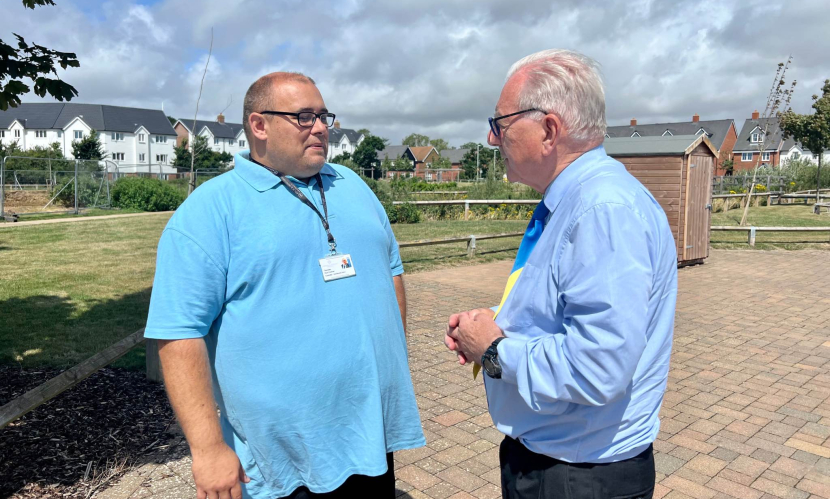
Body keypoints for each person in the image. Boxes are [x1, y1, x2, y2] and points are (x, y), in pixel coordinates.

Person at [145, 72, 424, 499]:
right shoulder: (210, 210)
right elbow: (178, 331)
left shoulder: (353, 185)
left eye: (324, 115)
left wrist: (392, 360)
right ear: (259, 126)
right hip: (281, 460)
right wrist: (207, 449)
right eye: (304, 116)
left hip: (369, 432)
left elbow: (390, 269)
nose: (321, 127)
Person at [444, 49, 677, 499]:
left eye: (501, 124)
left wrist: (493, 349)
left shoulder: (600, 210)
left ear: (549, 130)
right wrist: (493, 320)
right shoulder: (581, 200)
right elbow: (565, 310)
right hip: (562, 461)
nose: (493, 140)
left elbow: (598, 366)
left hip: (577, 474)